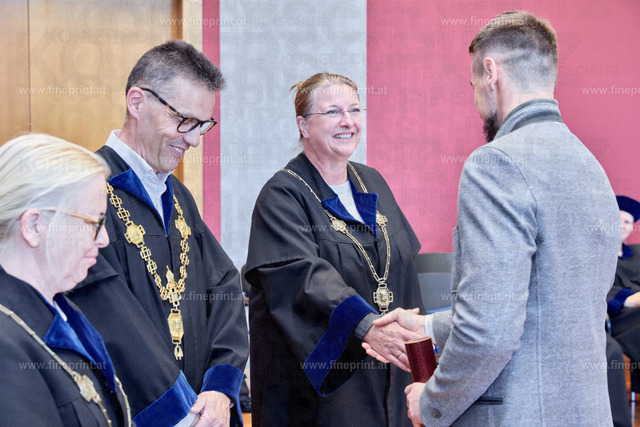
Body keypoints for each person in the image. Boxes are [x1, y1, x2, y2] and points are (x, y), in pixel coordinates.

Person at [367, 11, 620, 425]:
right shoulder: (590, 166)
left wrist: (432, 402)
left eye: (472, 86)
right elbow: (543, 306)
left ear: (490, 72)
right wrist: (429, 327)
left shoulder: (496, 163)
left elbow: (490, 332)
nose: (475, 101)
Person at [68, 40, 249, 426]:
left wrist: (220, 388)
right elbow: (108, 314)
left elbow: (224, 286)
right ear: (137, 102)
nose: (194, 139)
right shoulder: (86, 191)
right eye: (184, 120)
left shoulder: (178, 196)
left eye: (202, 125)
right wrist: (181, 412)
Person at [245, 72, 424, 426]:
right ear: (303, 125)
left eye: (354, 110)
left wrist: (421, 363)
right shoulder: (282, 196)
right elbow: (304, 280)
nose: (347, 121)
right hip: (324, 392)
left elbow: (404, 271)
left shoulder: (372, 181)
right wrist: (364, 325)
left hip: (390, 371)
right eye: (333, 112)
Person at [0, 134, 131, 425]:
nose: (104, 239)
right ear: (34, 226)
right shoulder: (4, 346)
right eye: (94, 222)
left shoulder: (64, 313)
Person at [607, 195, 640, 393]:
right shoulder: (596, 255)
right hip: (614, 317)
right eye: (617, 219)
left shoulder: (637, 254)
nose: (622, 225)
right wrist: (629, 299)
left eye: (627, 222)